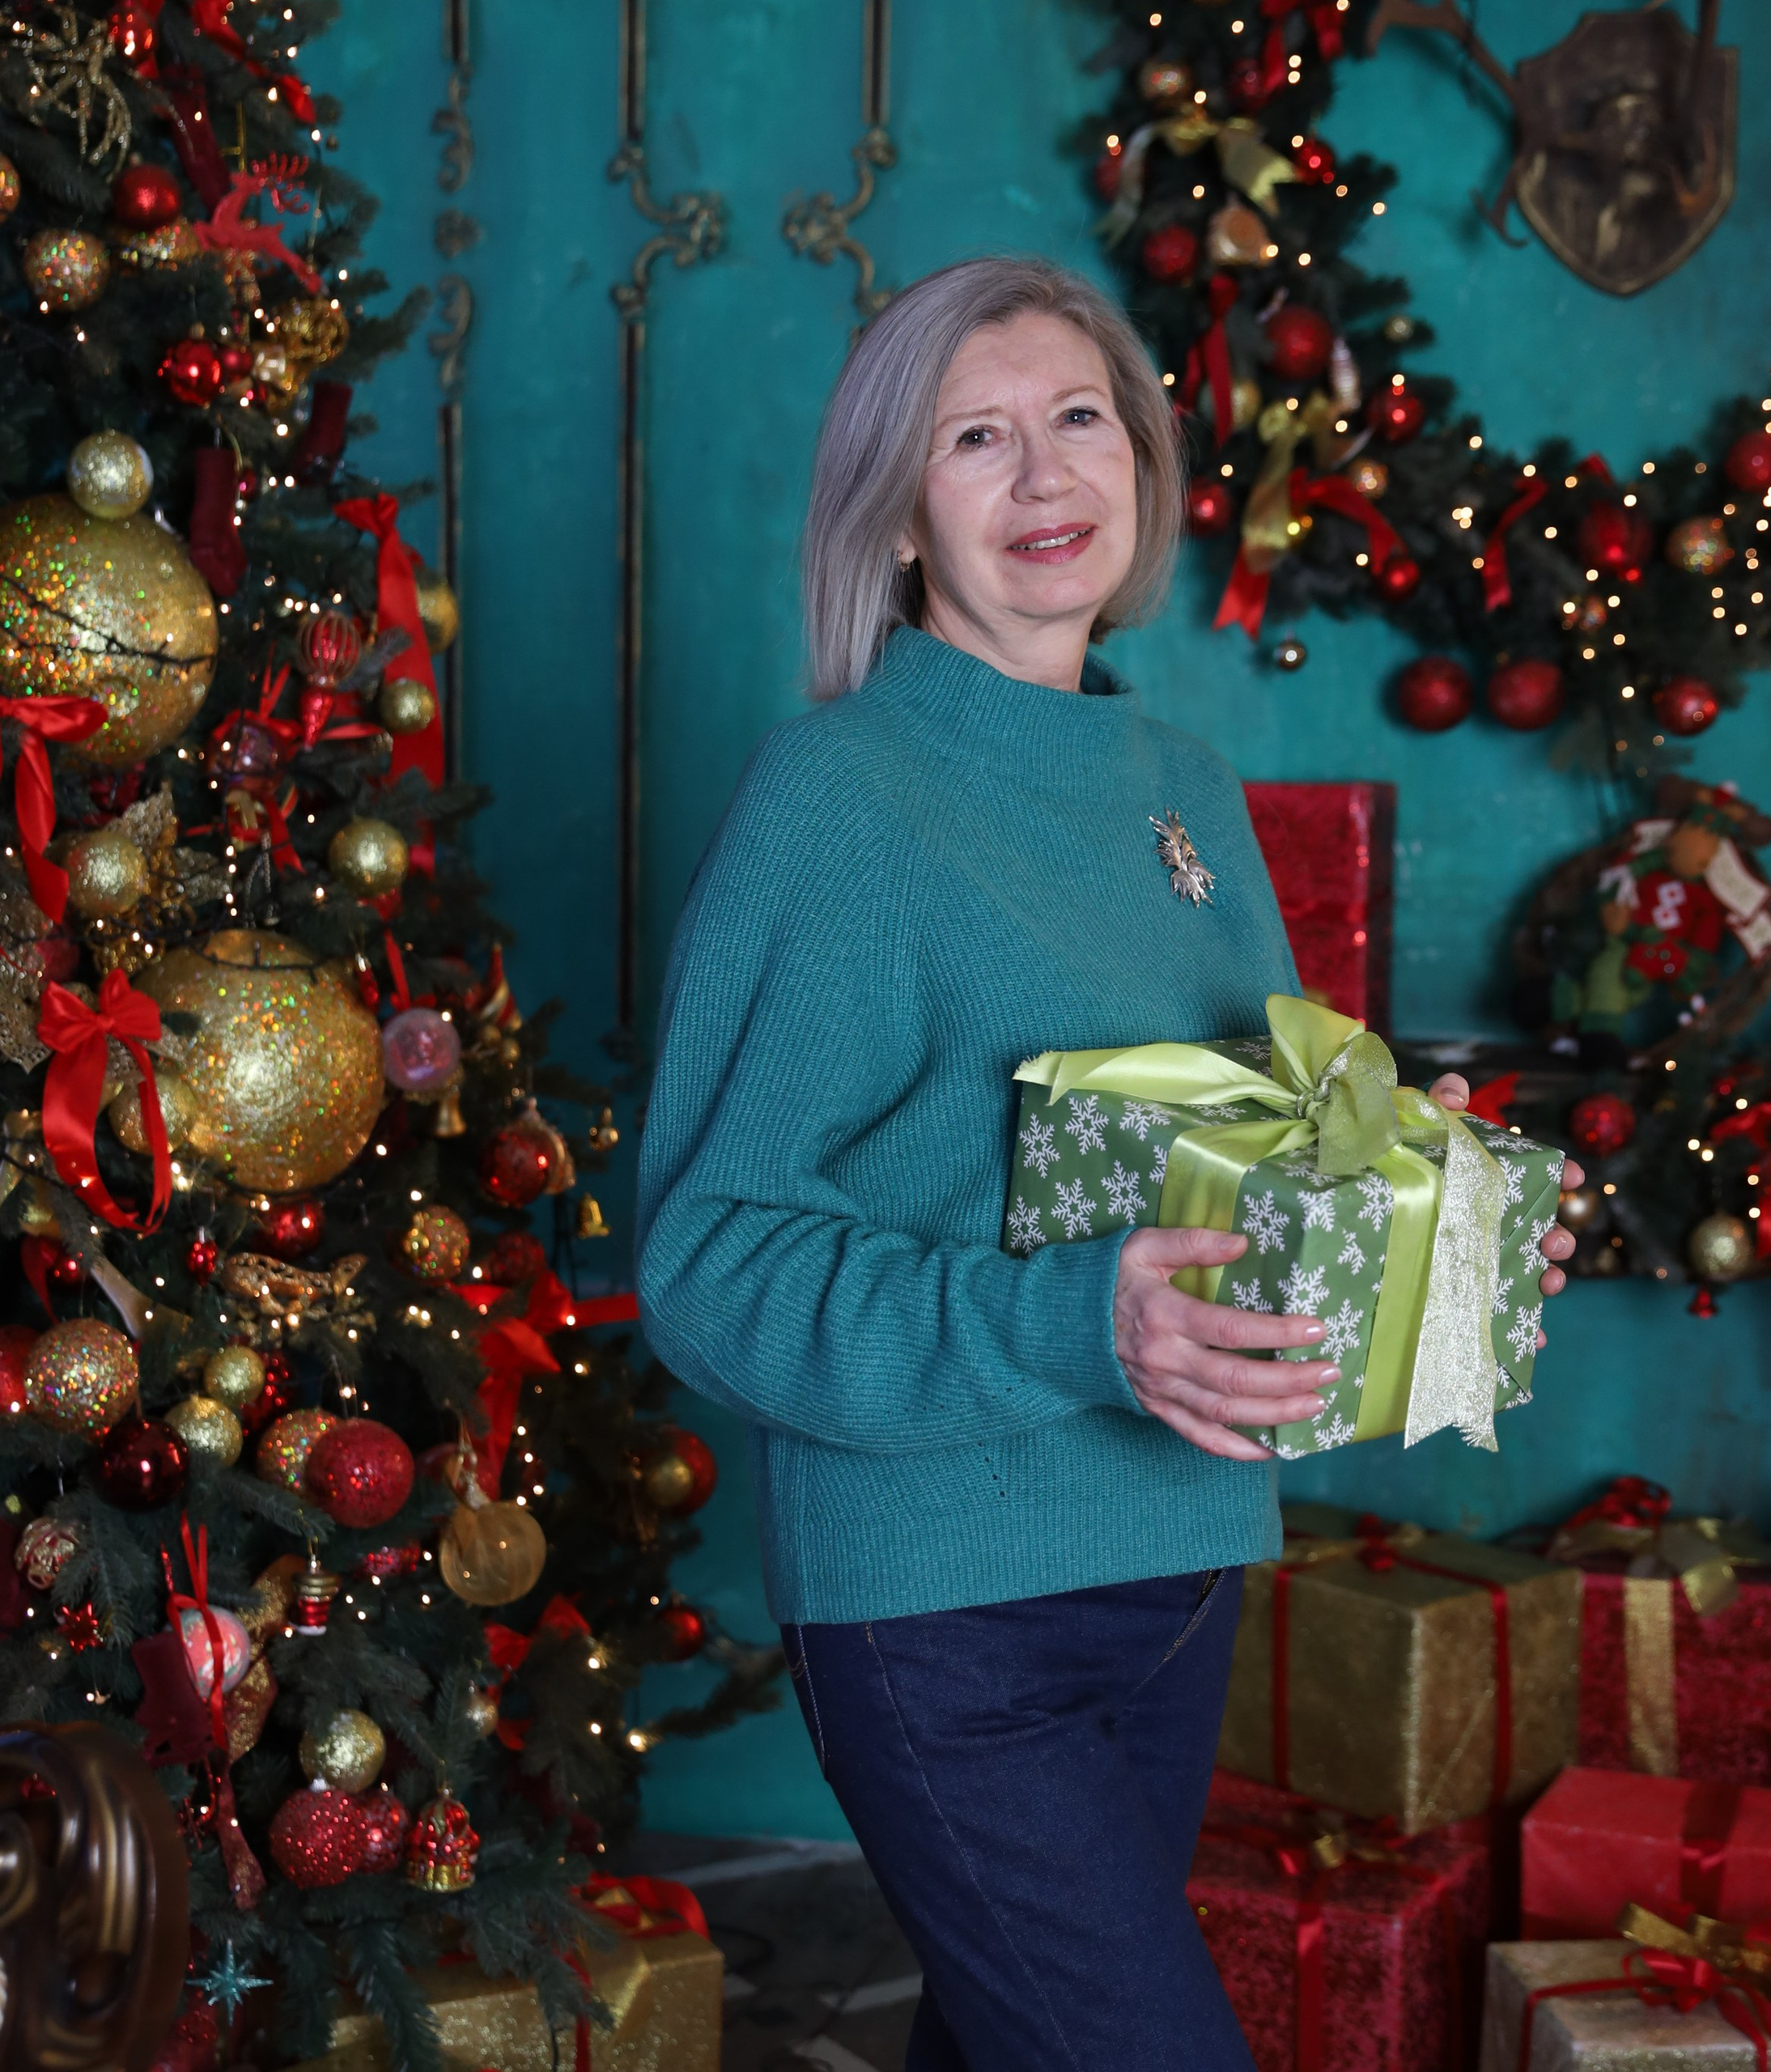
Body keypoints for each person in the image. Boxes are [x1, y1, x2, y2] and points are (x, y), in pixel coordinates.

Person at [635, 256, 1580, 2072]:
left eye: (1079, 418)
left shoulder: (1181, 786)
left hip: (1174, 1569)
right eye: (974, 438)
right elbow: (710, 1258)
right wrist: (1081, 1324)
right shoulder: (836, 797)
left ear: (1141, 462)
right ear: (897, 516)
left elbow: (1252, 1175)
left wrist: (1439, 1238)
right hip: (943, 1608)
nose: (1044, 472)